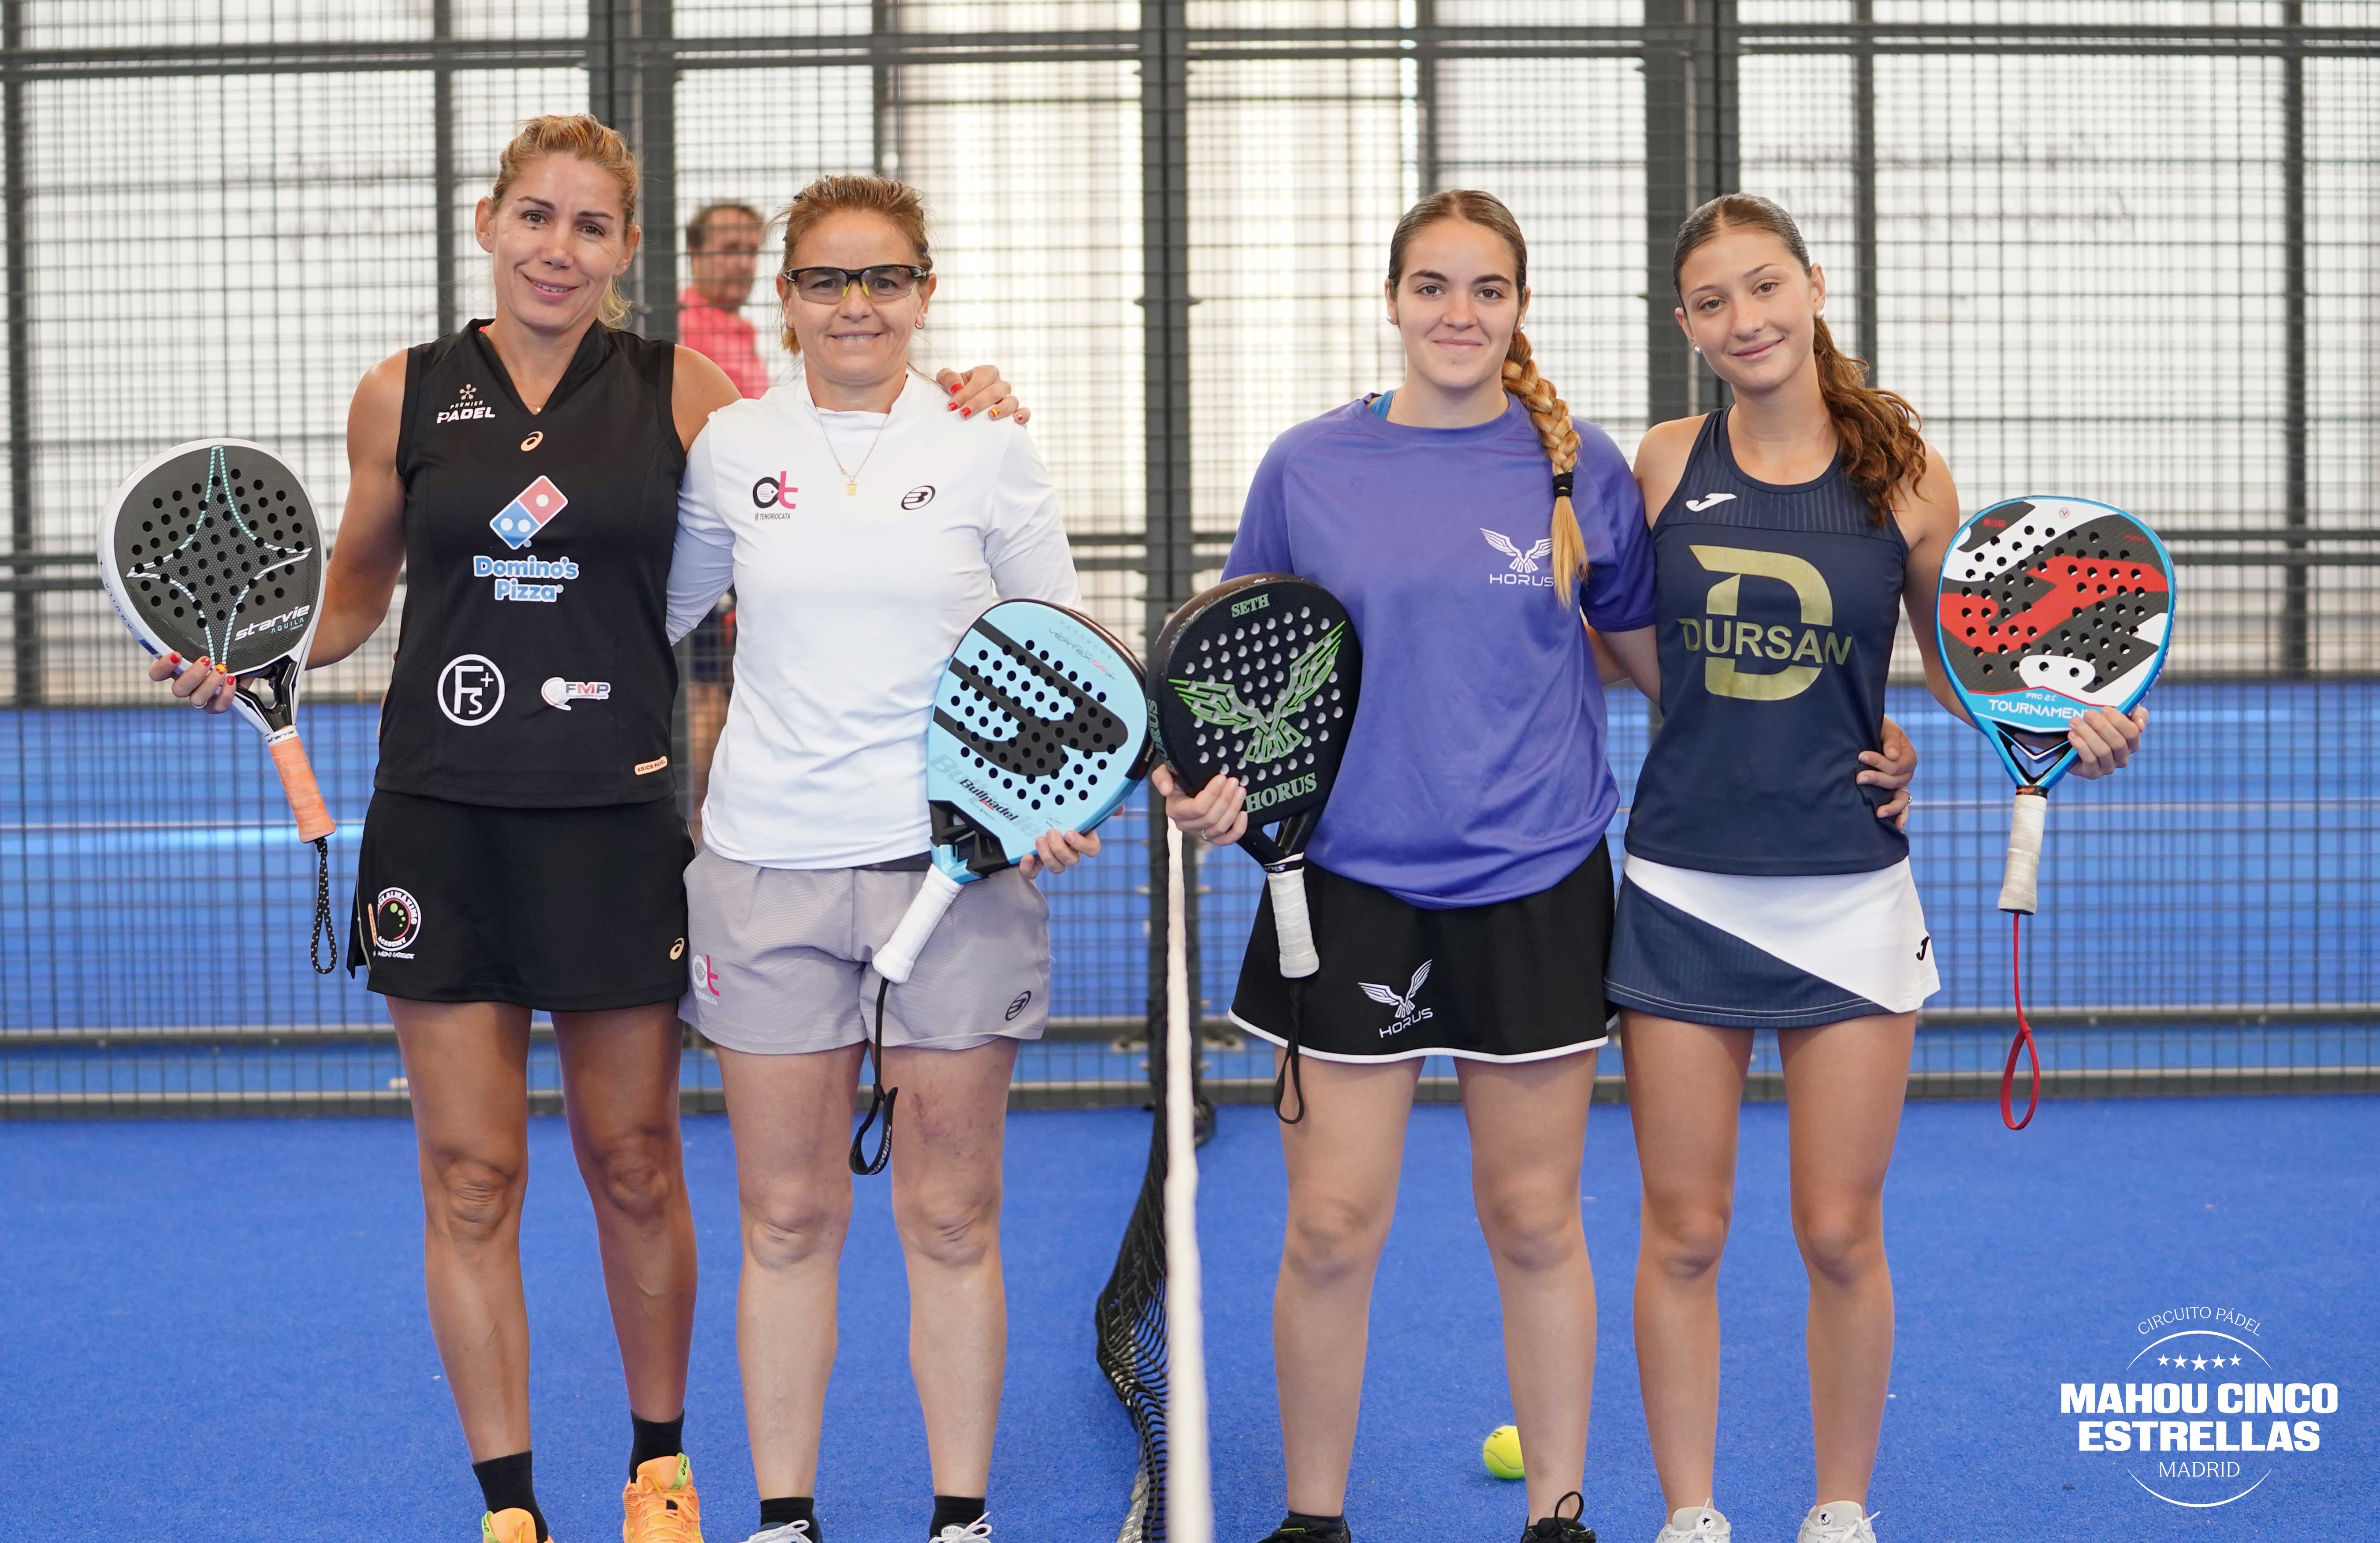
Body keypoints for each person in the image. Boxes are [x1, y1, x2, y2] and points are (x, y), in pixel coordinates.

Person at [150, 118, 1022, 1543]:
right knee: (470, 1173)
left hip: (616, 823)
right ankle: (509, 1505)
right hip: (441, 822)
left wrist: (966, 402)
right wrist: (257, 654)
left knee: (633, 1162)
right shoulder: (402, 393)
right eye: (536, 217)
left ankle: (659, 1470)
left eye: (592, 225)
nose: (559, 248)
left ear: (626, 248)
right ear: (488, 222)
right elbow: (353, 592)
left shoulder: (688, 395)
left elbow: (833, 452)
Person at [1607, 194, 2146, 1543]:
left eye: (1765, 286)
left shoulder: (1904, 471)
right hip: (1680, 886)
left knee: (1841, 1231)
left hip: (1849, 891)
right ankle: (1690, 1512)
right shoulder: (1663, 461)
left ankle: (1841, 1508)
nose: (1747, 319)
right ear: (1686, 325)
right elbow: (1624, 637)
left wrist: (2058, 718)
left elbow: (1968, 666)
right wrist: (1747, 712)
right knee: (1684, 1228)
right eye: (1715, 302)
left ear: (1812, 286)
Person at [1159, 189, 1664, 1543]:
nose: (1459, 312)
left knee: (1535, 1217)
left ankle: (1560, 1517)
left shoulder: (1580, 468)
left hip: (1538, 883)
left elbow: (1655, 661)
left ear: (1520, 306)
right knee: (1331, 1224)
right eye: (1433, 286)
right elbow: (1235, 667)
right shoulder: (1308, 466)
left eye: (1487, 289)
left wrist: (1832, 745)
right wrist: (1201, 787)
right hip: (1345, 887)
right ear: (1392, 300)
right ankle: (1313, 1519)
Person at [665, 172, 1094, 1543]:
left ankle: (959, 1518)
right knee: (786, 1214)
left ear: (924, 292)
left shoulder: (985, 440)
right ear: (786, 298)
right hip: (765, 870)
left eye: (885, 278)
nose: (857, 304)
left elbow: (1062, 638)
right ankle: (784, 1518)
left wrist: (1051, 789)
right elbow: (646, 613)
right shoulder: (732, 446)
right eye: (828, 280)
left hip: (954, 873)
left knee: (952, 1213)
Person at [677, 201, 770, 843]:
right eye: (729, 249)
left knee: (724, 688)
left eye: (751, 251)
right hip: (703, 537)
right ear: (695, 254)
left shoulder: (742, 331)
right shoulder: (685, 330)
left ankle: (705, 820)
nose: (742, 264)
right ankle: (694, 824)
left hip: (746, 535)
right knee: (707, 691)